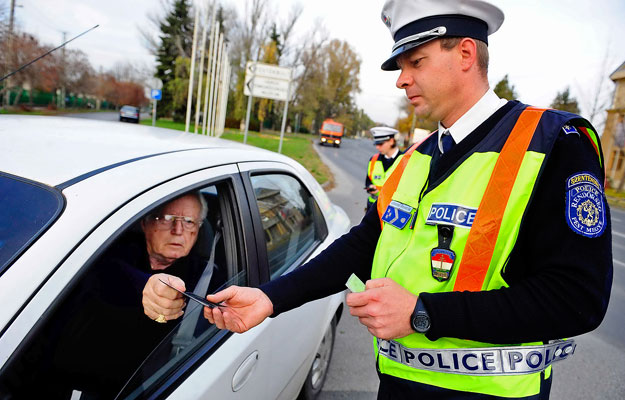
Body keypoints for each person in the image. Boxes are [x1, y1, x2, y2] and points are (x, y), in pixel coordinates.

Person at [203, 0, 613, 398]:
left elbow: (578, 299)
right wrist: (271, 297)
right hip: (399, 386)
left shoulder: (553, 143)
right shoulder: (415, 158)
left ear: (466, 53)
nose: (401, 79)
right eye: (401, 66)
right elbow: (364, 245)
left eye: (415, 62)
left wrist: (424, 313)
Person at [6, 192, 225, 399]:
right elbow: (105, 273)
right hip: (71, 377)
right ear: (145, 223)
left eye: (189, 222)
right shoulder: (110, 251)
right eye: (167, 218)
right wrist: (146, 287)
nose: (178, 230)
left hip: (152, 384)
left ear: (198, 228)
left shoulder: (207, 277)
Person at [365, 126, 403, 213]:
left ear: (391, 141)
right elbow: (368, 181)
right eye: (376, 144)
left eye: (380, 144)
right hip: (372, 208)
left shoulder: (405, 161)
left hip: (393, 210)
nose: (377, 147)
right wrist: (370, 187)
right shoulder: (373, 159)